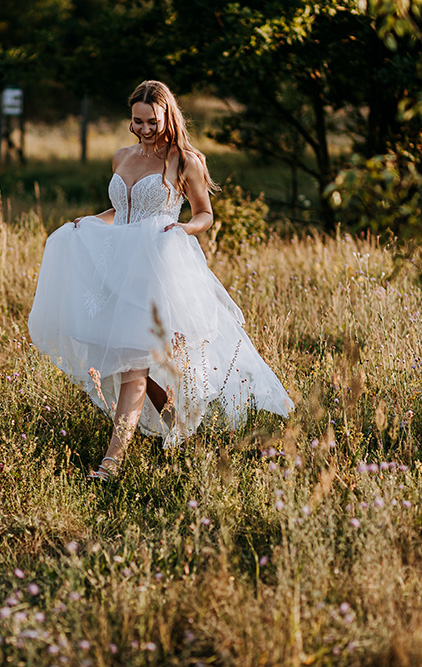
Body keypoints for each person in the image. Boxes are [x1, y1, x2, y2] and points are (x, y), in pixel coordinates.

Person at [27, 80, 293, 481]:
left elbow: (205, 213)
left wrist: (182, 229)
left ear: (167, 115)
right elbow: (121, 209)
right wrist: (90, 222)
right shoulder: (121, 156)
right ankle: (183, 432)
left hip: (157, 267)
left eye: (152, 121)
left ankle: (110, 464)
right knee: (134, 364)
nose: (145, 129)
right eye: (137, 121)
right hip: (117, 266)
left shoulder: (185, 160)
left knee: (132, 368)